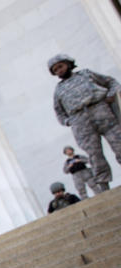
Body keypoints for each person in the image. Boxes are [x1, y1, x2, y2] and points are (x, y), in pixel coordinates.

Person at [50, 53, 120, 191]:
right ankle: (103, 184)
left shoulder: (86, 74)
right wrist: (68, 121)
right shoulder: (58, 90)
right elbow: (59, 111)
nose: (59, 70)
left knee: (119, 144)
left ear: (68, 64)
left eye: (60, 66)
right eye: (56, 70)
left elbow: (111, 82)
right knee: (95, 155)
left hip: (101, 112)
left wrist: (112, 94)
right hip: (81, 123)